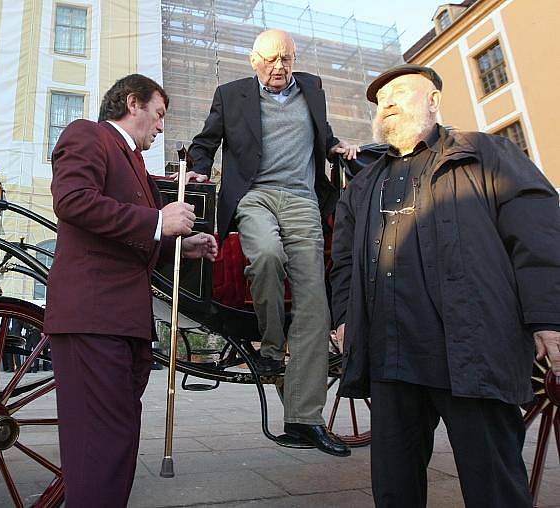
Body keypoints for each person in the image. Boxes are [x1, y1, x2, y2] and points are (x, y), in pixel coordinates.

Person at [330, 63, 560, 507]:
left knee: (494, 486)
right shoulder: (362, 185)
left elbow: (539, 237)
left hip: (470, 352)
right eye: (381, 100)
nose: (388, 103)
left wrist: (549, 317)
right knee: (395, 491)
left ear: (433, 100)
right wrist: (343, 318)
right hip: (390, 357)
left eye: (399, 92)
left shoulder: (486, 154)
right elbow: (342, 263)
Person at [44, 74, 218, 507]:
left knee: (117, 438)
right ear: (132, 102)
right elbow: (73, 201)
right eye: (158, 114)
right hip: (93, 317)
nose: (161, 127)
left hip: (125, 322)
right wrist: (160, 221)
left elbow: (129, 239)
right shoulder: (89, 134)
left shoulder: (136, 165)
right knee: (98, 445)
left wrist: (181, 244)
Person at [187, 28, 357, 456]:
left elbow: (324, 134)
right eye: (271, 59)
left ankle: (305, 420)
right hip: (254, 195)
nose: (279, 67)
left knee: (313, 300)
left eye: (286, 58)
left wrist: (339, 148)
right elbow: (205, 143)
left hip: (302, 199)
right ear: (254, 60)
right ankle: (272, 346)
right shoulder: (231, 95)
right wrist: (198, 170)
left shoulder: (313, 89)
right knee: (264, 254)